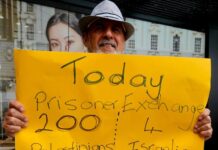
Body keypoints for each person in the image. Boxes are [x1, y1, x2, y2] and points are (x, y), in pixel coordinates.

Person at [3, 0, 212, 140]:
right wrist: (19, 127)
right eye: (100, 27)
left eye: (116, 29)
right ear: (85, 39)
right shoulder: (55, 83)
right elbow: (40, 131)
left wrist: (196, 128)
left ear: (123, 41)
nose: (109, 34)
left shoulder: (152, 85)